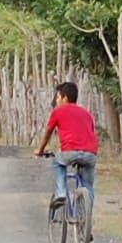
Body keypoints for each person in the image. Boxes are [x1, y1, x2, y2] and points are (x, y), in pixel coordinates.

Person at [34, 78, 99, 213]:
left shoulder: (58, 112)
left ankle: (61, 193)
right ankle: (86, 224)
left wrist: (40, 150)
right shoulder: (87, 114)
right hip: (90, 154)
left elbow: (48, 133)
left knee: (58, 162)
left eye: (58, 97)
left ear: (65, 98)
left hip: (70, 152)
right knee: (88, 186)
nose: (56, 101)